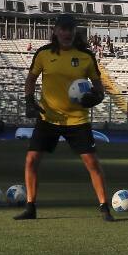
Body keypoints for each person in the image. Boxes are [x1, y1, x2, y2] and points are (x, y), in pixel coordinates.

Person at [14, 14, 113, 222]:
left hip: (77, 120)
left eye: (70, 29)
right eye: (63, 29)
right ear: (56, 31)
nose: (67, 33)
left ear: (74, 32)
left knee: (92, 163)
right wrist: (29, 101)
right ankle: (30, 207)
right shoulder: (43, 54)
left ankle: (105, 207)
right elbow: (31, 79)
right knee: (31, 160)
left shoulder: (86, 56)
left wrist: (95, 98)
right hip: (48, 117)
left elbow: (99, 88)